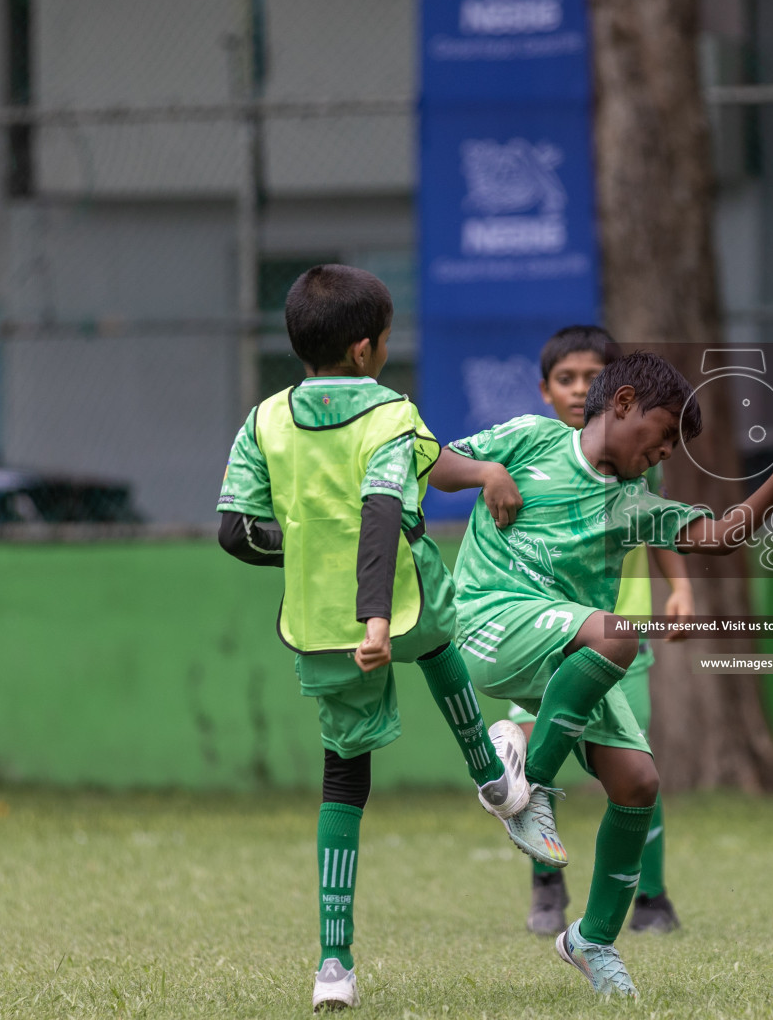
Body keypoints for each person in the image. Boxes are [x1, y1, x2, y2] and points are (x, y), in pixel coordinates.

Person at [431, 350, 773, 996]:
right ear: (626, 402)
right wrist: (486, 471)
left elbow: (720, 536)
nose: (664, 453)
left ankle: (593, 940)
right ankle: (533, 789)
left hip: (568, 648)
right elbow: (434, 462)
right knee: (618, 633)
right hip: (488, 624)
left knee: (638, 783)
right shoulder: (530, 439)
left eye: (672, 448)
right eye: (663, 435)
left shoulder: (635, 503)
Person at [214, 264, 528, 1011]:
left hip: (317, 624)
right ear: (363, 349)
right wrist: (379, 617)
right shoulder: (391, 413)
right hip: (399, 605)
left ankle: (333, 965)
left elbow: (234, 532)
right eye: (387, 338)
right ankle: (490, 774)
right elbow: (387, 508)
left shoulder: (264, 419)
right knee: (440, 642)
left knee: (343, 775)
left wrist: (311, 551)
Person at [505, 326, 693, 937]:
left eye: (591, 376)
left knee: (636, 768)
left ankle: (653, 898)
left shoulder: (639, 465)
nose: (578, 387)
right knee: (535, 757)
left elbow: (660, 529)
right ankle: (546, 887)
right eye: (566, 378)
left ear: (619, 395)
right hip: (540, 636)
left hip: (620, 640)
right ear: (545, 390)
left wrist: (682, 589)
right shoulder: (529, 454)